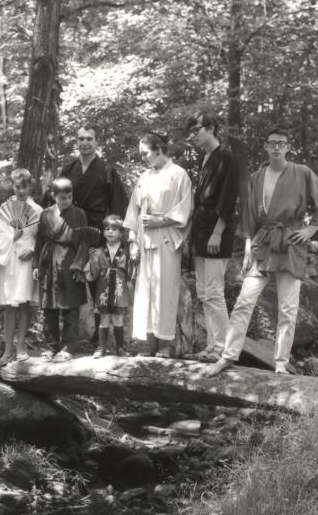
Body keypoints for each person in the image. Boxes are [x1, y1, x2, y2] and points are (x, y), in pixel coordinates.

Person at [206, 127, 318, 376]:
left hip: (290, 243)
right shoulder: (257, 177)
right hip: (263, 244)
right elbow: (249, 215)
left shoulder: (302, 173)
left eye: (281, 143)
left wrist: (312, 229)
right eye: (272, 143)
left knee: (288, 308)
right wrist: (247, 245)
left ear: (288, 147)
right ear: (265, 147)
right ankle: (228, 356)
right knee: (244, 301)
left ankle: (280, 362)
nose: (276, 147)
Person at [123, 133, 193, 357]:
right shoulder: (144, 176)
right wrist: (133, 241)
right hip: (145, 242)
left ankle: (167, 345)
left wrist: (160, 220)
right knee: (145, 292)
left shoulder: (178, 174)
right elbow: (133, 211)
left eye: (145, 152)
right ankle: (150, 345)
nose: (143, 157)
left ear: (159, 149)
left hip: (166, 239)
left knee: (165, 291)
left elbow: (186, 208)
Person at [59, 123, 129, 344]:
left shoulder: (107, 171)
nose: (85, 143)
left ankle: (100, 337)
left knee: (99, 285)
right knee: (70, 281)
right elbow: (55, 201)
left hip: (99, 233)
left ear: (96, 142)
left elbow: (118, 205)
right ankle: (68, 337)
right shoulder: (68, 170)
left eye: (89, 139)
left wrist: (116, 236)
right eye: (81, 139)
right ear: (76, 142)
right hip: (72, 232)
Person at [183, 109, 239, 363]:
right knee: (203, 292)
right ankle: (211, 346)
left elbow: (228, 200)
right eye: (191, 131)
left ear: (211, 129)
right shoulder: (204, 159)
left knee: (215, 292)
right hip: (200, 232)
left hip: (217, 233)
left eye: (196, 130)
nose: (193, 135)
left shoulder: (226, 156)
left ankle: (224, 350)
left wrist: (217, 233)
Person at [33, 177, 88, 362]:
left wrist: (79, 266)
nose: (65, 201)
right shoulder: (46, 214)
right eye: (62, 197)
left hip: (69, 263)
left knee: (71, 308)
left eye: (69, 197)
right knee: (49, 308)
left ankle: (67, 347)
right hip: (49, 263)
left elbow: (83, 242)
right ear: (53, 196)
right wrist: (36, 264)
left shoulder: (79, 214)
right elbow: (40, 240)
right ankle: (50, 347)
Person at [0, 168, 42, 365]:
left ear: (31, 186)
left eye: (25, 186)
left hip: (26, 261)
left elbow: (43, 238)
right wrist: (12, 236)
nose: (21, 190)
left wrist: (34, 250)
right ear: (13, 186)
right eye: (17, 186)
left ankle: (21, 347)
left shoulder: (37, 210)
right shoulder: (5, 208)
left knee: (24, 303)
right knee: (9, 305)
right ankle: (7, 349)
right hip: (9, 259)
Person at [85, 214, 134, 358]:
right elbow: (92, 274)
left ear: (121, 232)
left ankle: (120, 348)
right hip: (103, 288)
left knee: (118, 319)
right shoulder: (99, 251)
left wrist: (133, 261)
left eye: (114, 229)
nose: (110, 231)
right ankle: (101, 347)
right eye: (107, 229)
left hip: (119, 287)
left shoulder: (127, 250)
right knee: (104, 318)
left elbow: (131, 272)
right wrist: (92, 259)